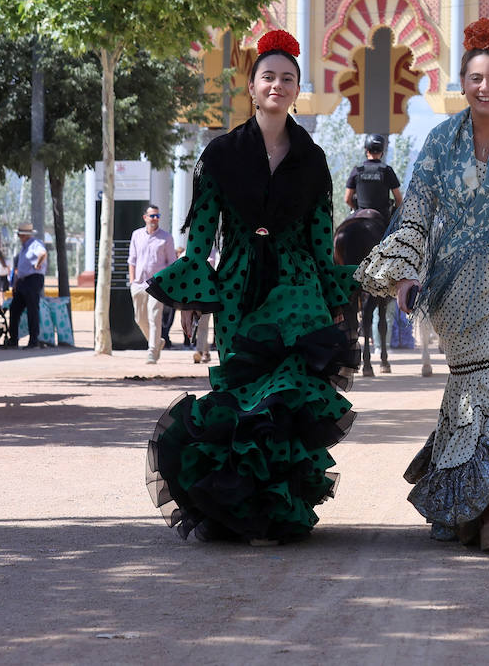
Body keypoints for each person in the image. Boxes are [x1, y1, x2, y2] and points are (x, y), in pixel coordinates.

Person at [356, 18, 489, 552]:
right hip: (452, 288)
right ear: (463, 83)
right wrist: (404, 274)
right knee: (469, 390)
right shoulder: (437, 142)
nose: (485, 87)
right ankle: (474, 508)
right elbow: (418, 212)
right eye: (475, 78)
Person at [145, 29, 359, 544]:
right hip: (240, 283)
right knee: (242, 392)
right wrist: (195, 284)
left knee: (291, 392)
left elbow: (320, 231)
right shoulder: (220, 153)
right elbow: (202, 227)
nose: (277, 86)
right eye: (269, 77)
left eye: (288, 79)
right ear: (252, 85)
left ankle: (282, 509)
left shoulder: (314, 158)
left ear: (296, 88)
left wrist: (332, 296)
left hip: (299, 283)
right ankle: (239, 506)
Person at [129, 204, 177, 363]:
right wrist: (132, 280)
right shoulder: (136, 235)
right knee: (140, 319)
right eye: (152, 216)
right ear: (145, 217)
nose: (155, 219)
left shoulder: (166, 238)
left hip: (157, 285)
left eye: (157, 216)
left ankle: (152, 351)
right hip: (139, 284)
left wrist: (168, 284)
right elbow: (132, 259)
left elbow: (172, 263)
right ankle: (157, 342)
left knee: (154, 317)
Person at [5, 222, 51, 348]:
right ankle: (13, 339)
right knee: (15, 309)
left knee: (32, 309)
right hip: (23, 281)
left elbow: (42, 253)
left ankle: (33, 340)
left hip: (33, 279)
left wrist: (37, 264)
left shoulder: (35, 244)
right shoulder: (25, 247)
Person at [345, 134, 402, 223]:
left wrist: (357, 209)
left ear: (366, 150)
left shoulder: (357, 170)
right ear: (382, 152)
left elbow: (347, 199)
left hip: (359, 213)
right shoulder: (387, 170)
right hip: (383, 216)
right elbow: (398, 199)